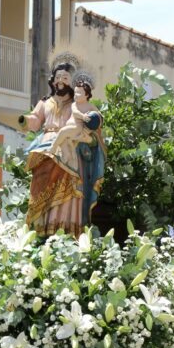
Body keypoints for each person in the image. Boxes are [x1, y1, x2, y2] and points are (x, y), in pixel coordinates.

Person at [19, 60, 106, 236]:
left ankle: (65, 228)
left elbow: (94, 123)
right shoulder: (45, 102)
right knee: (40, 183)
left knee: (68, 186)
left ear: (72, 82)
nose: (60, 81)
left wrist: (91, 129)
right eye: (58, 77)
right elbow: (36, 121)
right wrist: (25, 121)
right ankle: (40, 228)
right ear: (52, 80)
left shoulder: (78, 103)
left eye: (65, 78)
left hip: (69, 148)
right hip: (45, 146)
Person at [51, 79, 99, 167]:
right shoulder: (74, 105)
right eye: (75, 92)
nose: (76, 95)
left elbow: (99, 115)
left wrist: (95, 120)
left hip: (77, 127)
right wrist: (83, 116)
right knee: (64, 142)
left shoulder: (90, 106)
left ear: (87, 95)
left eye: (79, 93)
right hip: (72, 129)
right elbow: (75, 112)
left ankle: (53, 146)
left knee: (62, 132)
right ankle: (67, 156)